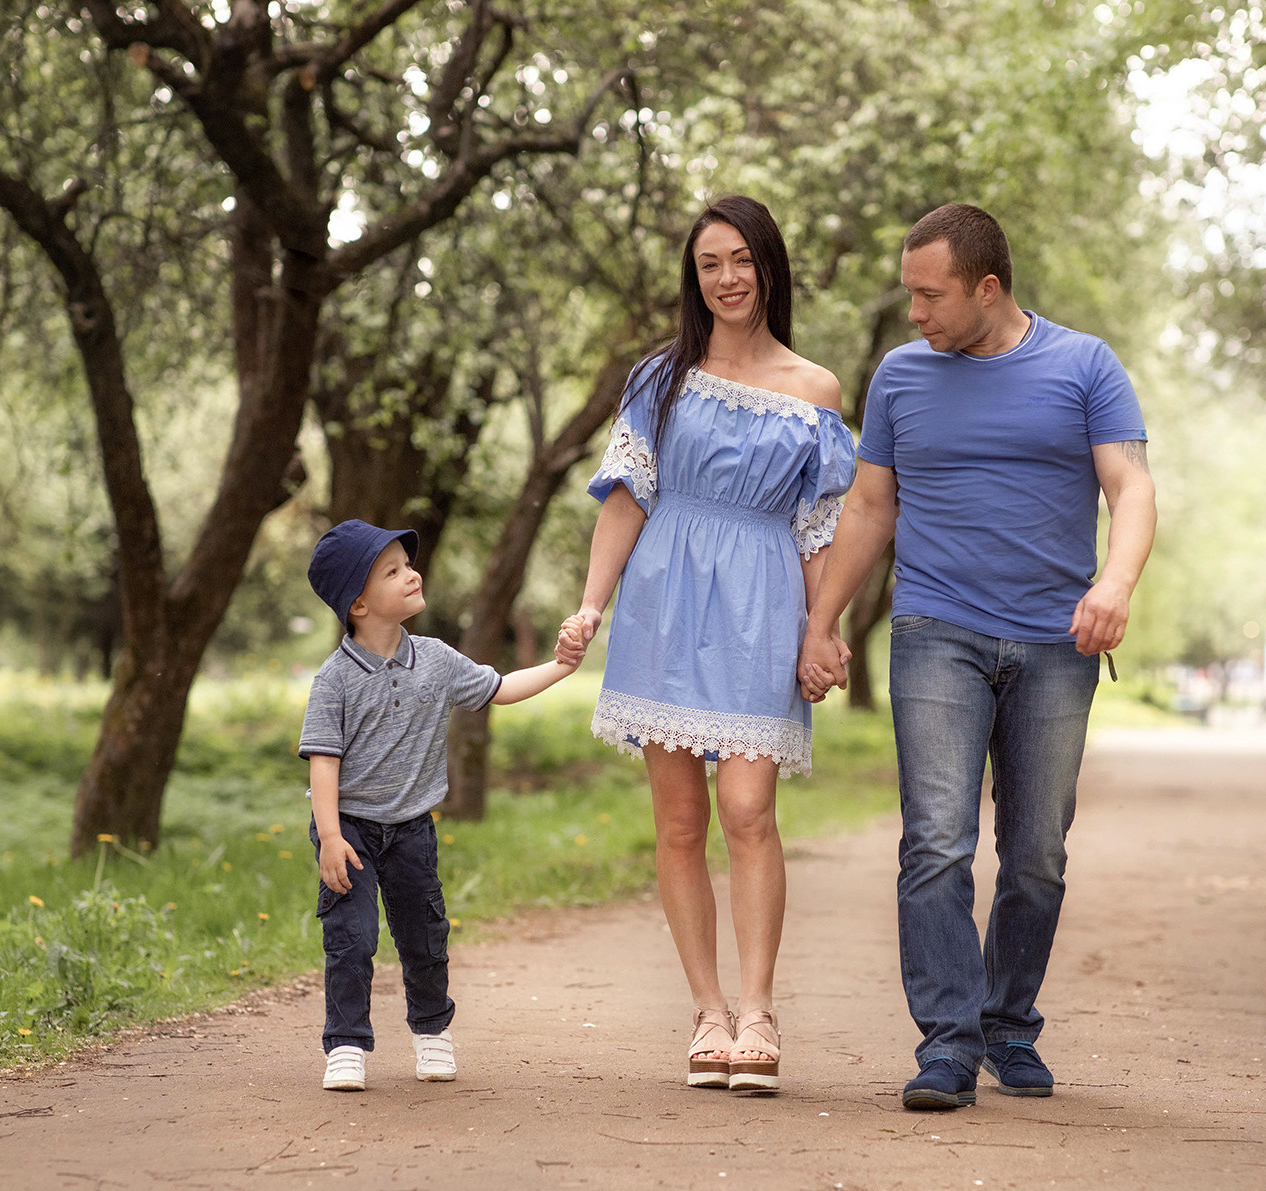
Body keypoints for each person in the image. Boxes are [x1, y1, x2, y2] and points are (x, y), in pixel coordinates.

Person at [798, 203, 1157, 1111]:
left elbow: (1131, 484)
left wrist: (1114, 584)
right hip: (937, 630)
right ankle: (949, 1044)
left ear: (987, 288)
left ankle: (1009, 1023)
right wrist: (822, 620)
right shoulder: (901, 378)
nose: (914, 313)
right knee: (936, 841)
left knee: (1036, 854)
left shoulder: (1084, 366)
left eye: (931, 295)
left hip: (1054, 641)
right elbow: (870, 507)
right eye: (910, 294)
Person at [560, 196, 855, 1094]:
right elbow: (628, 497)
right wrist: (590, 606)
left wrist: (823, 627)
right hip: (664, 599)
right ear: (695, 278)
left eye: (741, 260)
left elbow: (821, 530)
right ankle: (708, 1015)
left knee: (750, 809)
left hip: (762, 598)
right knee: (680, 821)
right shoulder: (661, 377)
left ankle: (759, 1010)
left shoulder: (817, 390)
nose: (727, 279)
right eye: (709, 265)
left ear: (769, 264)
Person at [299, 520, 584, 1092]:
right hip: (350, 829)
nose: (412, 574)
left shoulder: (435, 658)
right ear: (358, 603)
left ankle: (432, 1033)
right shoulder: (335, 680)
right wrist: (330, 837)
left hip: (411, 830)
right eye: (393, 570)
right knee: (351, 940)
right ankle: (347, 1044)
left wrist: (562, 667)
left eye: (409, 563)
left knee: (425, 937)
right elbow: (323, 763)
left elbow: (498, 687)